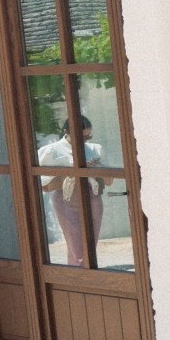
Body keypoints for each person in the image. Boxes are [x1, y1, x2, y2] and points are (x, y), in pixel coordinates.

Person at [37, 109, 105, 266]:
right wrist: (72, 171)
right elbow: (45, 186)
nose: (84, 141)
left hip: (93, 198)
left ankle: (77, 280)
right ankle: (82, 279)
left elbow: (107, 182)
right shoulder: (51, 151)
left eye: (88, 137)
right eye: (80, 137)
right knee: (78, 249)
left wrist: (97, 169)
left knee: (89, 248)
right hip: (66, 198)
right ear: (66, 132)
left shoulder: (94, 149)